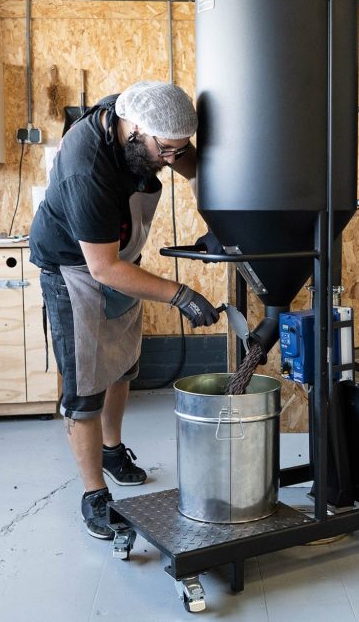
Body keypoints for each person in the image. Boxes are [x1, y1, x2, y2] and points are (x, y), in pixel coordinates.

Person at [29, 80, 221, 540]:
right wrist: (181, 294)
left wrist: (221, 223)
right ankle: (93, 493)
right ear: (135, 131)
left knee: (123, 367)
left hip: (120, 261)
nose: (171, 160)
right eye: (166, 152)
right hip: (75, 268)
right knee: (87, 385)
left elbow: (196, 172)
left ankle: (112, 450)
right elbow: (102, 267)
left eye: (178, 149)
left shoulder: (145, 125)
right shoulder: (86, 167)